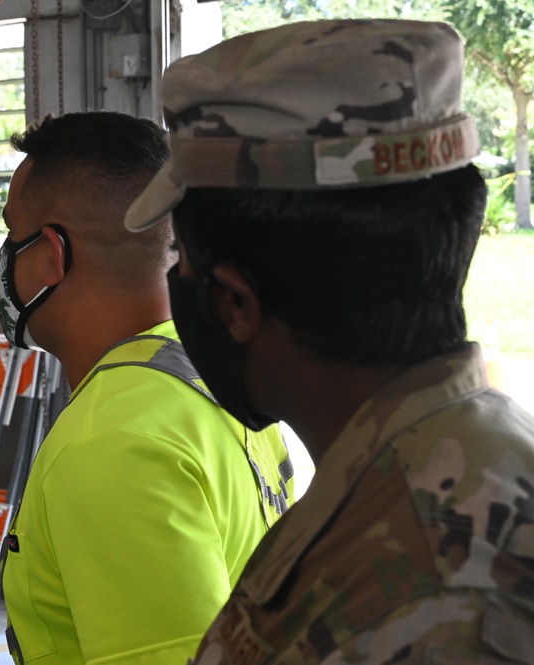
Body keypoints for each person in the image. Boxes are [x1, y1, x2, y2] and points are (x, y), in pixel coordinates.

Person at [125, 18, 534, 663]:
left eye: (182, 259)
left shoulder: (415, 591)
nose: (177, 281)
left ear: (234, 302)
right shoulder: (485, 456)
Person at [0, 111, 295, 664]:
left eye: (13, 232)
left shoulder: (109, 442)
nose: (6, 253)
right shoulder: (215, 375)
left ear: (53, 257)